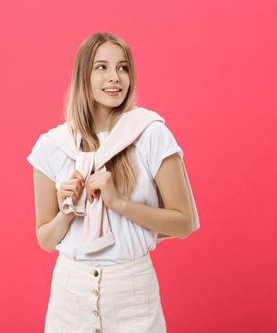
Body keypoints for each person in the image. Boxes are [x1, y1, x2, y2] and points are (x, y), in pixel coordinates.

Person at [27, 32, 200, 333]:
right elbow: (45, 239)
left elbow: (183, 222)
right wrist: (67, 211)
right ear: (84, 75)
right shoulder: (52, 145)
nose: (115, 78)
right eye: (102, 67)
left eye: (123, 68)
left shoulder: (151, 134)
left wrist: (119, 203)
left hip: (132, 292)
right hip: (70, 295)